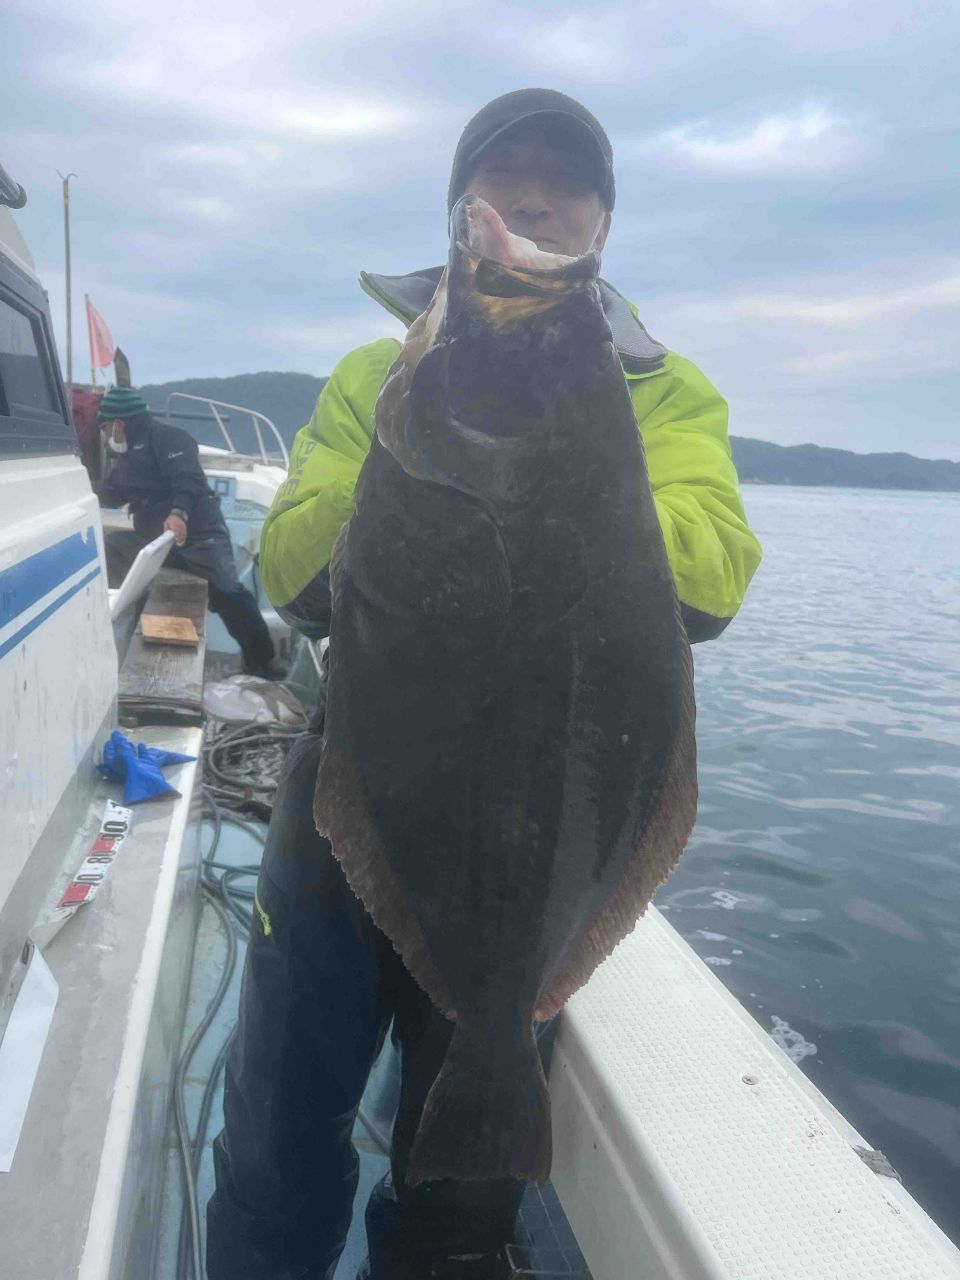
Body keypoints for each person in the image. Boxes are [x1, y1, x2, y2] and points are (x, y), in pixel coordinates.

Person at [206, 88, 763, 1280]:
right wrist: (416, 486)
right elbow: (290, 569)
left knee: (460, 1205)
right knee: (273, 1137)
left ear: (601, 225)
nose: (533, 192)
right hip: (364, 782)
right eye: (506, 169)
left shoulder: (665, 392)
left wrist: (564, 490)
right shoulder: (375, 371)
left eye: (564, 178)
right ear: (464, 208)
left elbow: (713, 576)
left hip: (546, 812)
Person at [94, 385, 282, 678]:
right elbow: (108, 495)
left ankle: (262, 661)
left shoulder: (170, 439)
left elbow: (188, 480)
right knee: (111, 546)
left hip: (199, 536)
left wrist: (178, 514)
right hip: (157, 541)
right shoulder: (128, 460)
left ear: (119, 424)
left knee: (228, 592)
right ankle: (119, 638)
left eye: (105, 428)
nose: (106, 435)